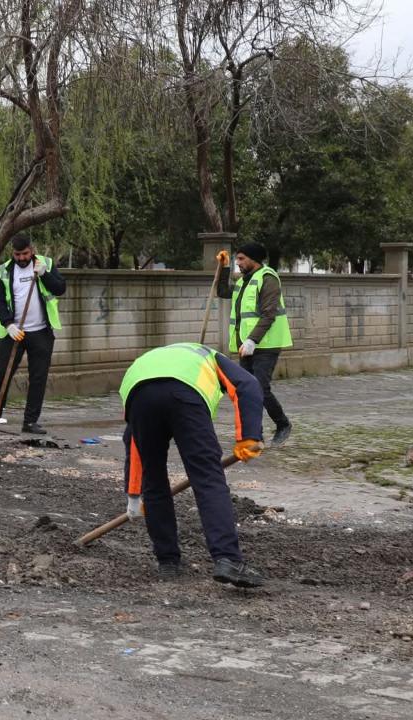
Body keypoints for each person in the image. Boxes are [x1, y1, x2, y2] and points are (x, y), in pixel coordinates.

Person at [120, 342, 266, 587]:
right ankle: (227, 559)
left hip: (140, 397)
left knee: (153, 479)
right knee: (208, 479)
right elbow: (248, 384)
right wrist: (249, 436)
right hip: (185, 397)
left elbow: (132, 441)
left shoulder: (147, 363)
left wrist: (134, 494)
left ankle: (167, 562)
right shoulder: (210, 356)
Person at [0, 234, 66, 434]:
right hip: (14, 333)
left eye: (25, 253)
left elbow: (60, 289)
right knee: (3, 373)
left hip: (41, 332)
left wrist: (45, 274)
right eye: (17, 254)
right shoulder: (3, 271)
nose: (21, 258)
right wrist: (8, 324)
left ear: (32, 250)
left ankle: (30, 422)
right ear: (12, 252)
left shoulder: (46, 264)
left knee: (38, 377)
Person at [217, 243, 293, 445]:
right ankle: (254, 434)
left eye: (241, 259)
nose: (238, 262)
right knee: (247, 389)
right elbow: (223, 291)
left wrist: (253, 340)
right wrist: (224, 267)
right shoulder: (243, 282)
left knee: (260, 388)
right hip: (246, 344)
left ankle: (283, 424)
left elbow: (269, 314)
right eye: (236, 259)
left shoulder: (268, 279)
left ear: (254, 259)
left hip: (266, 344)